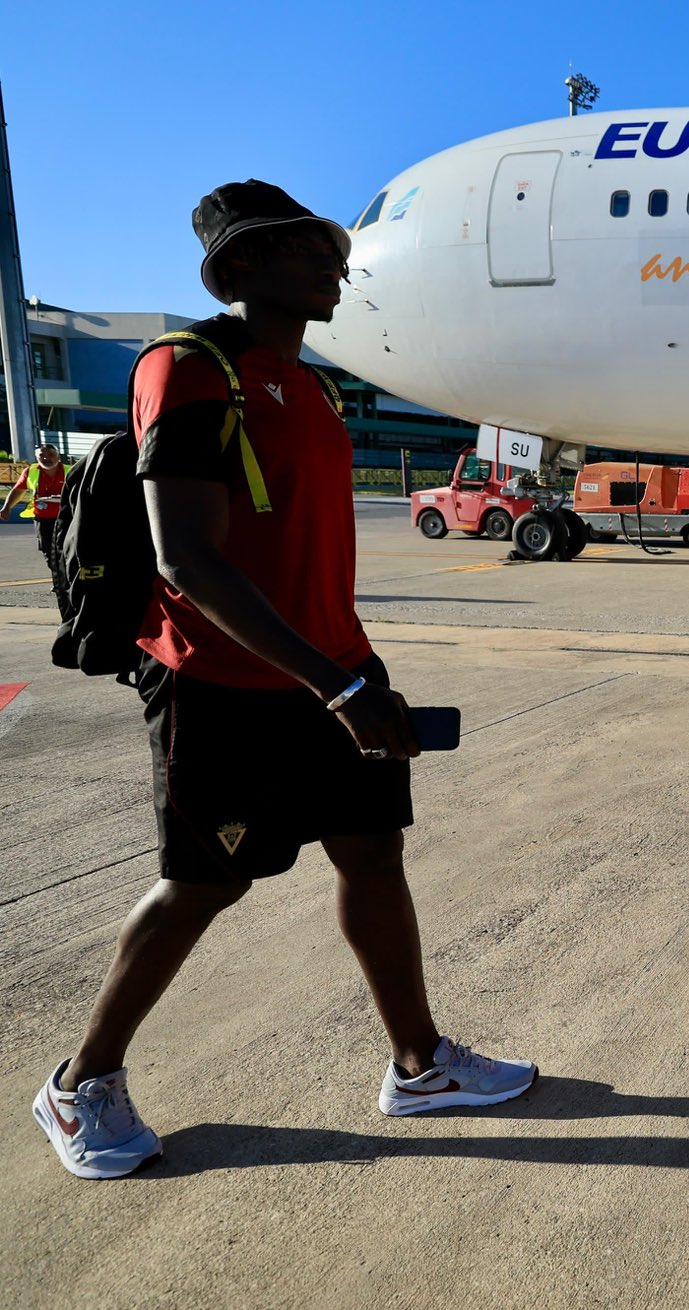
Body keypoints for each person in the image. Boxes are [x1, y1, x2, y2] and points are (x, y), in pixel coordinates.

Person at [30, 181, 535, 1182]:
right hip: (223, 681)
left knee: (372, 854)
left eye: (331, 251)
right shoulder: (188, 368)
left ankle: (419, 1061)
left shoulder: (310, 383)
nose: (333, 264)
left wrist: (347, 677)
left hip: (330, 666)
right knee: (202, 882)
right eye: (310, 249)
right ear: (242, 266)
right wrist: (337, 691)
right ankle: (79, 1081)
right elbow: (186, 556)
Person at [3, 443, 70, 613]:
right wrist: (7, 507)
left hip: (66, 518)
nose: (46, 458)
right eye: (42, 456)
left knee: (66, 550)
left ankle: (65, 580)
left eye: (50, 454)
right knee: (49, 551)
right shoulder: (31, 472)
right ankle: (59, 581)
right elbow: (18, 490)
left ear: (58, 455)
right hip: (43, 519)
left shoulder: (70, 470)